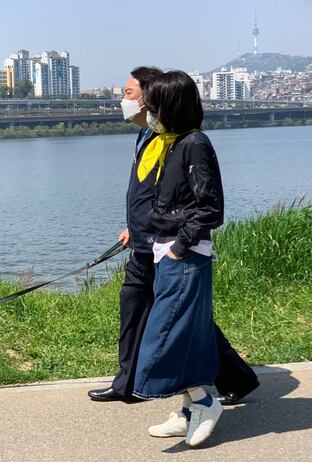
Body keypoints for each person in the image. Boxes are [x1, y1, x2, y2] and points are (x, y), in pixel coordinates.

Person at [88, 67, 258, 406]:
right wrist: (133, 227)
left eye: (129, 93)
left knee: (182, 319)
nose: (123, 99)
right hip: (145, 242)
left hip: (164, 246)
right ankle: (129, 383)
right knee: (137, 308)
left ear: (152, 98)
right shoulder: (147, 137)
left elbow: (196, 203)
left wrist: (176, 247)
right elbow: (149, 194)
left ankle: (222, 385)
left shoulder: (178, 140)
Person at [131, 70, 229, 446]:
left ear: (171, 106)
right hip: (169, 252)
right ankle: (189, 409)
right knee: (189, 337)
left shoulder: (194, 144)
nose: (149, 112)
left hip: (184, 255)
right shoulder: (172, 143)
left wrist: (179, 246)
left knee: (163, 336)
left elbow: (210, 207)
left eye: (154, 106)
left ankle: (204, 402)